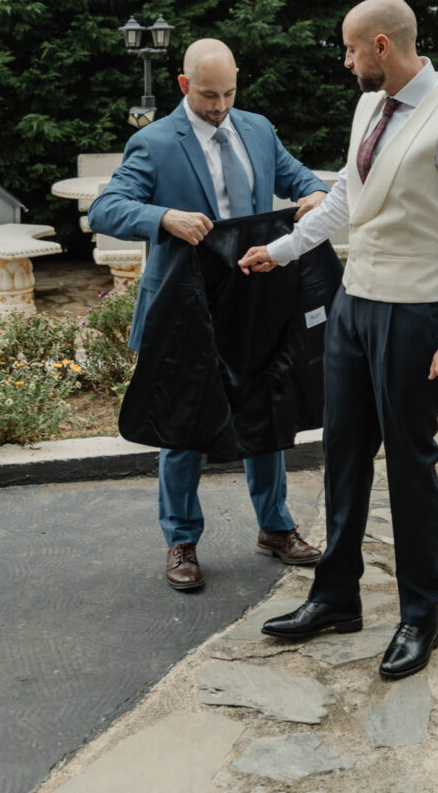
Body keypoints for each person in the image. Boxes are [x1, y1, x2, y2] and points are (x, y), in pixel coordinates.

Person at [238, 0, 438, 679]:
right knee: (343, 455)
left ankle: (420, 614)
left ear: (382, 45)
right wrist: (287, 247)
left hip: (417, 317)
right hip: (354, 307)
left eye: (352, 49)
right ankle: (335, 597)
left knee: (410, 467)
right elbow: (346, 195)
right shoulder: (368, 105)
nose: (346, 59)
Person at [88, 38, 329, 591]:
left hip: (253, 300)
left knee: (267, 416)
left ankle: (275, 528)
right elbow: (105, 209)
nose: (219, 105)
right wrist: (163, 216)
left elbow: (301, 179)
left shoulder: (258, 129)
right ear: (183, 85)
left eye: (228, 92)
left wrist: (315, 195)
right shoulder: (152, 142)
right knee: (184, 426)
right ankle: (181, 542)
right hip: (186, 305)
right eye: (207, 95)